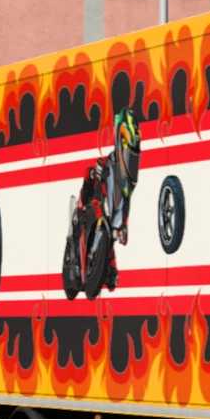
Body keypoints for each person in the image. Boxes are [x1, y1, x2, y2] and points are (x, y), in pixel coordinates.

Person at [77, 108, 140, 290]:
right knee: (88, 182)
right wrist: (93, 179)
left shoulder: (127, 188)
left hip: (105, 223)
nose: (131, 160)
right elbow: (94, 178)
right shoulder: (107, 164)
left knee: (111, 280)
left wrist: (123, 228)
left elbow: (123, 211)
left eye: (134, 157)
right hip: (92, 207)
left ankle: (97, 270)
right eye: (128, 153)